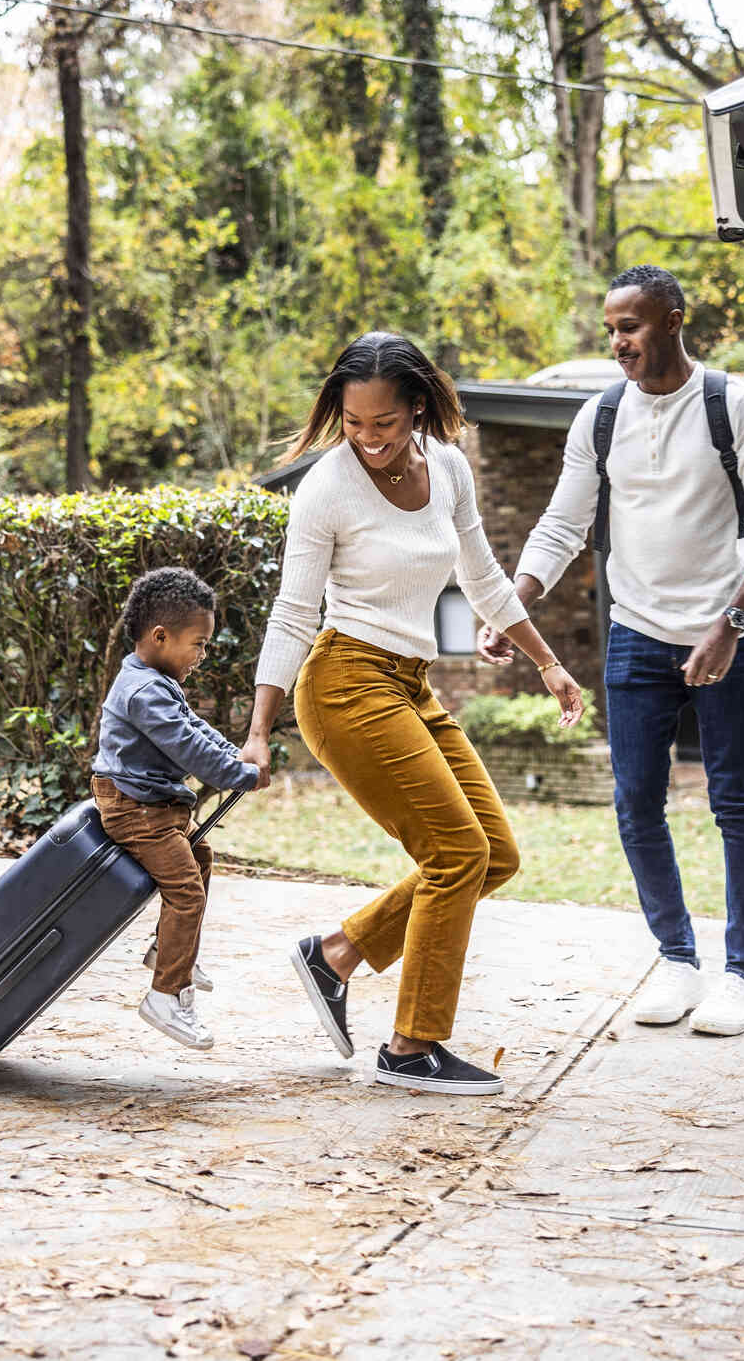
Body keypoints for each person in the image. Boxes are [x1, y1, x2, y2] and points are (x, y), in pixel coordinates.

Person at [240, 332, 582, 1097]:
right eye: (354, 423)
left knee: (494, 853)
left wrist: (549, 662)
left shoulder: (449, 467)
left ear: (417, 407)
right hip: (342, 684)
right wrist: (259, 732)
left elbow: (484, 577)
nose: (368, 439)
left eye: (384, 424)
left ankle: (336, 953)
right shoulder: (327, 488)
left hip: (407, 683)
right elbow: (293, 614)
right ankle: (411, 1048)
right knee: (456, 854)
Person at [480, 265, 744, 1037]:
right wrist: (510, 603)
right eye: (610, 330)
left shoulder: (737, 408)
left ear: (672, 319)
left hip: (729, 632)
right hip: (635, 634)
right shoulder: (599, 419)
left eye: (629, 326)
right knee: (635, 804)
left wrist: (729, 622)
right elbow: (561, 528)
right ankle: (677, 960)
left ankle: (742, 977)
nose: (618, 343)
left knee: (733, 800)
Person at [92, 567, 269, 1051]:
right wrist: (239, 774)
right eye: (199, 643)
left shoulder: (153, 680)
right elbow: (187, 748)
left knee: (200, 856)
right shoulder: (145, 691)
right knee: (186, 891)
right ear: (160, 635)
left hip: (153, 806)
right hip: (136, 811)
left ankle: (172, 954)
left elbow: (194, 728)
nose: (203, 655)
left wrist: (236, 754)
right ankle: (166, 994)